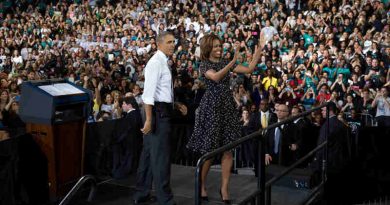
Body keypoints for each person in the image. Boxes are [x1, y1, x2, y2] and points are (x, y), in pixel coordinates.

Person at [186, 33, 262, 204]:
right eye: (216, 46)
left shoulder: (226, 63)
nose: (219, 49)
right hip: (211, 108)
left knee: (228, 150)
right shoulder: (204, 65)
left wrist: (259, 51)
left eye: (220, 45)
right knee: (210, 152)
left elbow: (249, 69)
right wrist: (233, 60)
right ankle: (202, 184)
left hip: (227, 107)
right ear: (208, 49)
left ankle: (224, 188)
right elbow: (216, 76)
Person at [133, 32, 177, 205]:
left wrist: (176, 103)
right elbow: (148, 95)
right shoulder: (155, 63)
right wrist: (149, 120)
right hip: (157, 114)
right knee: (161, 158)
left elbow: (161, 92)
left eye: (174, 42)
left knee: (149, 155)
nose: (172, 45)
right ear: (159, 44)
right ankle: (165, 200)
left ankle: (141, 194)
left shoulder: (163, 61)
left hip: (160, 110)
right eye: (169, 42)